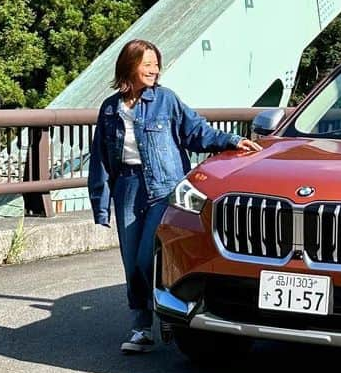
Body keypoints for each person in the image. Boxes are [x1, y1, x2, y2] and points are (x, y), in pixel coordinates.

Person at [87, 38, 261, 352]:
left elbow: (196, 132)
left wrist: (232, 140)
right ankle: (141, 329)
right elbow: (99, 158)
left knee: (145, 260)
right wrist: (100, 204)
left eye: (156, 64)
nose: (154, 70)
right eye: (147, 64)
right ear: (130, 66)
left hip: (164, 188)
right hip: (127, 188)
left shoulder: (165, 100)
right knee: (131, 263)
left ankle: (168, 311)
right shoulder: (110, 109)